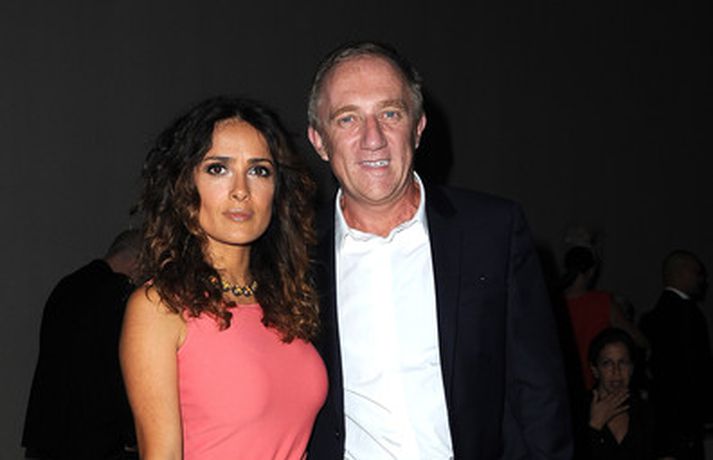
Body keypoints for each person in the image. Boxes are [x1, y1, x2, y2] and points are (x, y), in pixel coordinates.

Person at [305, 41, 572, 459]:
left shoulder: (493, 232)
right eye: (348, 119)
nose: (372, 139)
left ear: (418, 127)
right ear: (319, 141)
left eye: (390, 114)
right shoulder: (293, 253)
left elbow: (539, 392)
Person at [119, 97, 327, 459]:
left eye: (259, 171)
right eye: (218, 169)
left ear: (277, 191)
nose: (241, 190)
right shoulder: (159, 308)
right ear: (184, 185)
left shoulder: (289, 302)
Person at [22, 229, 140, 460]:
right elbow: (121, 369)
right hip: (97, 441)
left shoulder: (66, 286)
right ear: (139, 261)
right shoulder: (119, 294)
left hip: (47, 435)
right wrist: (132, 434)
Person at [640, 250, 713, 460]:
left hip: (662, 415)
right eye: (697, 272)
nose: (702, 279)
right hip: (686, 416)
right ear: (681, 272)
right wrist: (706, 409)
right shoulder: (689, 314)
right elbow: (696, 368)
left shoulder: (651, 317)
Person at [561, 245, 648, 389]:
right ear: (591, 272)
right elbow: (634, 336)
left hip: (563, 384)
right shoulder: (602, 302)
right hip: (595, 382)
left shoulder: (553, 304)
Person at [585, 328, 654, 460]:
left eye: (623, 363)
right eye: (607, 364)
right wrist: (594, 426)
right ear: (595, 370)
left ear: (631, 368)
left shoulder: (645, 412)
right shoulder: (576, 411)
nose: (616, 371)